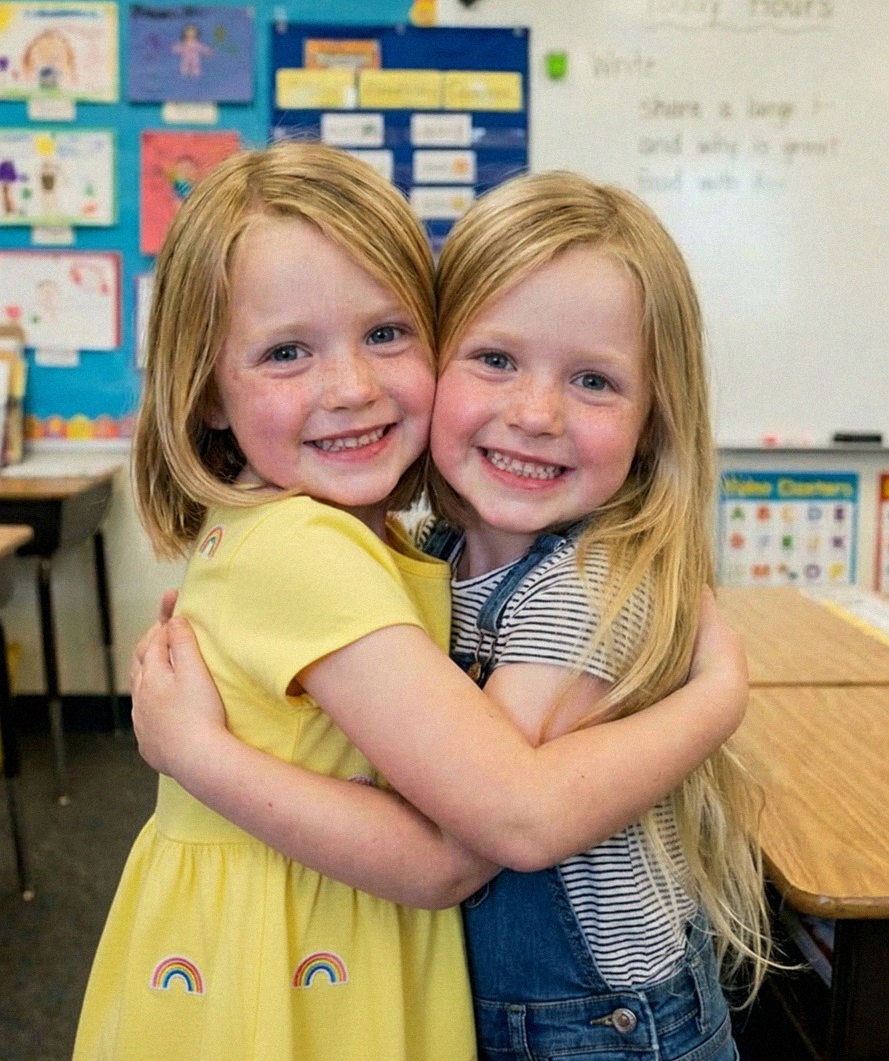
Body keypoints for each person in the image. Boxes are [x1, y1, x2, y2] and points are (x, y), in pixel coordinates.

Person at [129, 162, 762, 1061]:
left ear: (656, 417)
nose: (536, 412)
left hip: (596, 1032)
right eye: (496, 359)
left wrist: (719, 693)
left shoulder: (581, 586)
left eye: (594, 382)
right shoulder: (420, 556)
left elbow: (504, 825)